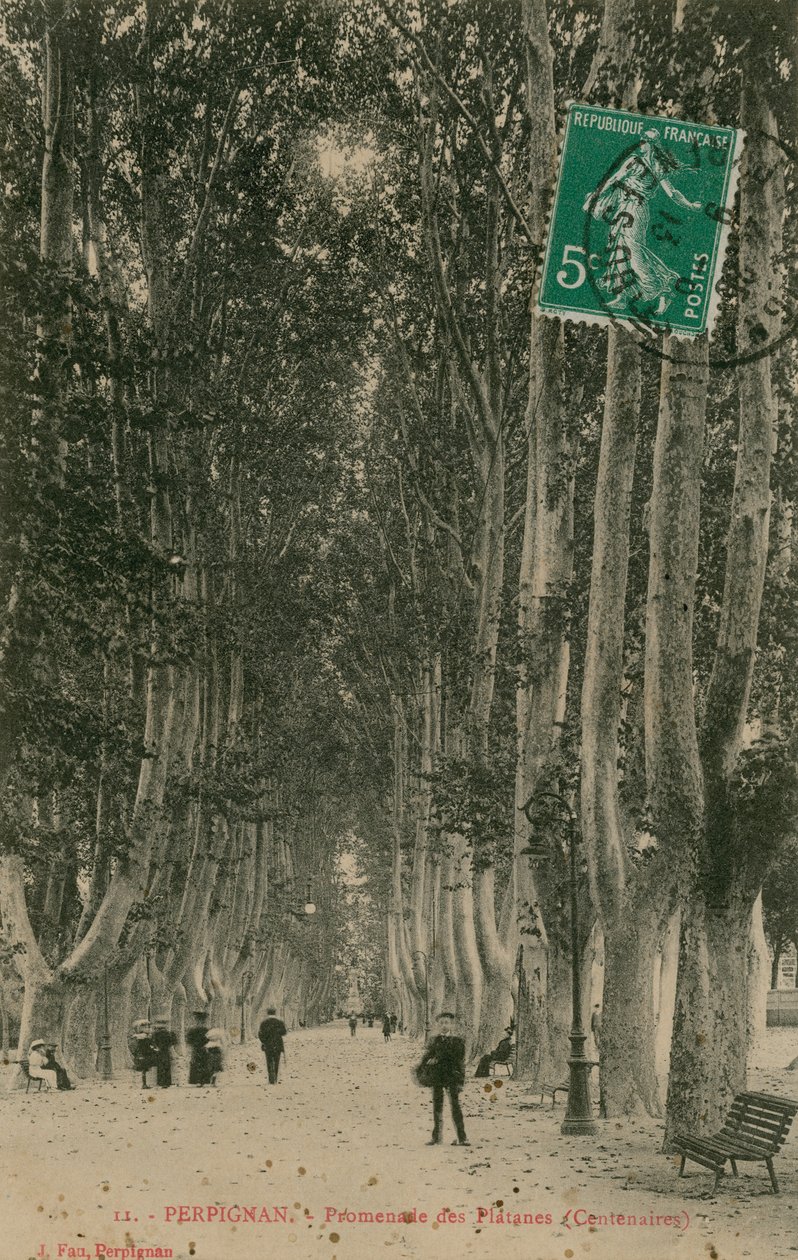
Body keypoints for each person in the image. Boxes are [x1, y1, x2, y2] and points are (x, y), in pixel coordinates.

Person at [584, 129, 701, 316]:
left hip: (637, 210)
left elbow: (672, 193)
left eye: (645, 141)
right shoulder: (633, 161)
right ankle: (622, 296)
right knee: (618, 248)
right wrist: (597, 195)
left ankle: (666, 288)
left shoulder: (657, 167)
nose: (641, 143)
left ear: (652, 144)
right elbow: (614, 178)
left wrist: (690, 205)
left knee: (633, 251)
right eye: (641, 140)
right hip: (623, 207)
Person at [416, 1012, 469, 1146]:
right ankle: (436, 1137)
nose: (444, 1025)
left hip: (452, 1076)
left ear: (452, 1024)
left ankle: (462, 1137)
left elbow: (460, 1062)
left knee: (455, 1107)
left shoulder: (458, 1041)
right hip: (437, 1076)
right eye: (441, 1023)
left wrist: (461, 1080)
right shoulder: (434, 1040)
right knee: (437, 1106)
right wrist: (422, 1068)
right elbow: (426, 1056)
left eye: (447, 1022)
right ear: (438, 1025)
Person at [258, 1008, 287, 1084]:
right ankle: (276, 1078)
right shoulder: (280, 1022)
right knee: (277, 1061)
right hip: (278, 1044)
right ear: (275, 1013)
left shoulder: (264, 1022)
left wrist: (263, 1041)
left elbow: (260, 1034)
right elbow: (284, 1032)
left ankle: (271, 1079)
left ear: (267, 1013)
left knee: (269, 1061)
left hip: (268, 1045)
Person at [150, 1017, 177, 1088]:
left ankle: (161, 1082)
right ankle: (167, 1082)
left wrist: (156, 1047)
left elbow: (152, 1042)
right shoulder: (168, 1033)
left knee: (161, 1066)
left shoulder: (155, 1034)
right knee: (166, 1066)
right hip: (166, 1051)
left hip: (159, 1051)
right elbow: (172, 1042)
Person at [128, 1019, 155, 1088]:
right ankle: (143, 1084)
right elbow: (146, 1046)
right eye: (146, 1027)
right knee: (143, 1069)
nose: (148, 1028)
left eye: (148, 1027)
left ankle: (141, 1083)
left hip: (141, 1054)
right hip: (143, 1054)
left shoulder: (137, 1037)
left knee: (143, 1070)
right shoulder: (142, 1037)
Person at [186, 1011, 210, 1085]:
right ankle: (200, 1080)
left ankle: (200, 1080)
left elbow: (189, 1040)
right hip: (199, 1048)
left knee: (200, 1063)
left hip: (201, 1048)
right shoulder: (203, 1030)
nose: (199, 1022)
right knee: (199, 1063)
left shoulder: (203, 1030)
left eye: (201, 1021)